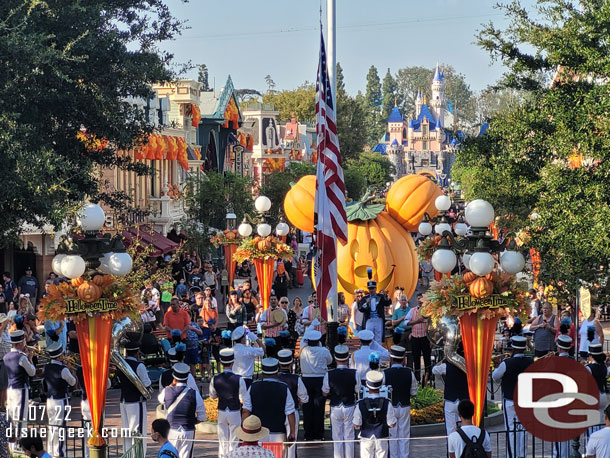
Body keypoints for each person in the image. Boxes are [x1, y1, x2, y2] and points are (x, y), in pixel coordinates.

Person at [491, 336, 533, 458]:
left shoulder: (507, 363)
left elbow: (495, 376)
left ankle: (512, 455)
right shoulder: (530, 361)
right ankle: (522, 455)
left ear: (513, 349)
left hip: (510, 400)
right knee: (523, 429)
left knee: (511, 429)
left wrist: (500, 365)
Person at [210, 348, 252, 458]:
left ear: (221, 362)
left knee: (222, 438)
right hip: (234, 410)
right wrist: (246, 411)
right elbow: (245, 397)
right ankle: (233, 456)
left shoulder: (215, 378)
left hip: (222, 410)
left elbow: (212, 395)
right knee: (234, 438)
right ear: (233, 362)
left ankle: (223, 456)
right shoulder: (239, 379)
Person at [158, 363, 206, 458]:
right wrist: (192, 421)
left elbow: (160, 399)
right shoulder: (194, 394)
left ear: (174, 378)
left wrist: (171, 384)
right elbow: (202, 417)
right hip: (188, 430)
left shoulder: (166, 391)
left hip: (171, 429)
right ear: (187, 378)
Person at [323, 344, 360, 458]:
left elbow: (325, 392)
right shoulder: (354, 373)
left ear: (335, 358)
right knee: (349, 436)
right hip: (349, 405)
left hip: (335, 406)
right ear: (348, 357)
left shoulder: (329, 374)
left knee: (337, 437)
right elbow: (358, 390)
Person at [249, 358, 296, 445]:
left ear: (262, 372)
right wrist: (292, 432)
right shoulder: (284, 388)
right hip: (278, 431)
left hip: (258, 432)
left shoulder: (253, 387)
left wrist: (246, 430)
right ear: (276, 372)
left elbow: (246, 410)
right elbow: (290, 413)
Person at [117, 341, 152, 456]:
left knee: (127, 431)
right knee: (138, 432)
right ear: (137, 353)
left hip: (123, 400)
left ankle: (128, 455)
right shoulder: (139, 365)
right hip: (136, 401)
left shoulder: (120, 364)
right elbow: (146, 384)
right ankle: (138, 455)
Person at [383, 345, 418, 458]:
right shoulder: (409, 372)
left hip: (391, 407)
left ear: (391, 359)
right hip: (404, 405)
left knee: (392, 436)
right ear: (403, 359)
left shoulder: (385, 373)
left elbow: (382, 392)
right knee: (404, 435)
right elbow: (414, 392)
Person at [43, 342, 77, 457]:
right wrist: (69, 368)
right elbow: (73, 382)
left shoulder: (46, 367)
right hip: (60, 400)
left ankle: (51, 451)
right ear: (59, 356)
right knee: (61, 428)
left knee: (51, 426)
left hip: (50, 400)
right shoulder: (63, 369)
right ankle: (59, 453)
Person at [353, 370, 396, 458]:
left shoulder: (360, 403)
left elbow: (356, 424)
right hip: (382, 436)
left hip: (366, 436)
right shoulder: (387, 403)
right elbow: (392, 424)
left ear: (367, 385)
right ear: (380, 386)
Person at [4, 330, 35, 450]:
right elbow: (32, 372)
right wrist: (30, 358)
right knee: (21, 417)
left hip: (10, 389)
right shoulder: (21, 357)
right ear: (21, 343)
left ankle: (12, 445)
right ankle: (19, 445)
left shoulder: (6, 356)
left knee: (12, 417)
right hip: (20, 389)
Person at [300, 329, 332, 441]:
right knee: (319, 408)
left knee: (307, 407)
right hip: (320, 379)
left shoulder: (303, 350)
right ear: (319, 340)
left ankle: (308, 434)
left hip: (306, 380)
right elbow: (329, 361)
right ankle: (319, 434)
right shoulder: (323, 350)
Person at [432, 343, 469, 439]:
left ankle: (451, 452)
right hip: (463, 399)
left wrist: (443, 359)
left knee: (451, 431)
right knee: (465, 430)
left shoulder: (446, 365)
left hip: (450, 400)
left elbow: (435, 370)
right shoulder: (468, 364)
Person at [277, 349, 308, 458]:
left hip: (277, 413)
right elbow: (304, 397)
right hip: (293, 412)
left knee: (278, 441)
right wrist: (300, 402)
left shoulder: (275, 378)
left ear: (279, 364)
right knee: (291, 441)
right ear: (290, 364)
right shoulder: (296, 378)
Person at [404, 295, 431, 385]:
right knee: (416, 358)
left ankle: (428, 378)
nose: (419, 300)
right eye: (418, 299)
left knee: (427, 357)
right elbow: (406, 322)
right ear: (416, 300)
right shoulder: (412, 310)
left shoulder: (428, 310)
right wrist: (417, 322)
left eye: (421, 299)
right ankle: (417, 379)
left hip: (425, 337)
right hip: (415, 337)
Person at [358, 276, 391, 345]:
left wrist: (386, 296)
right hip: (369, 320)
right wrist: (366, 303)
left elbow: (388, 303)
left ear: (376, 288)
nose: (371, 290)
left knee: (378, 338)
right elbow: (361, 309)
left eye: (372, 288)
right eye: (370, 288)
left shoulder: (380, 297)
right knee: (368, 337)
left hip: (378, 319)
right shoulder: (365, 298)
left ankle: (377, 354)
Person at [587, 344, 608, 434]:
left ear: (591, 356)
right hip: (603, 396)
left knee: (592, 425)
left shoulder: (589, 368)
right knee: (600, 421)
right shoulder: (604, 368)